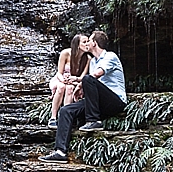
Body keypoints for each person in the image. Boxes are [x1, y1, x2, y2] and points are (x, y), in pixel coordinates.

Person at [41, 30, 126, 163]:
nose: (88, 43)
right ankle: (60, 151)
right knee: (65, 110)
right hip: (98, 103)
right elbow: (90, 81)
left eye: (89, 40)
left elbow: (96, 75)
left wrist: (81, 84)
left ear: (95, 43)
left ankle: (93, 121)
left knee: (88, 79)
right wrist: (80, 87)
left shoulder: (110, 56)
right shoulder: (92, 62)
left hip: (115, 100)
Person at [46, 34, 91, 128]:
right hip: (60, 79)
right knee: (61, 87)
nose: (87, 44)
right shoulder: (65, 53)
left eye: (88, 41)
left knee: (70, 88)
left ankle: (66, 118)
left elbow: (82, 77)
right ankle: (53, 118)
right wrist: (63, 80)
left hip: (74, 82)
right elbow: (59, 73)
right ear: (77, 44)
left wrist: (74, 80)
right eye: (84, 42)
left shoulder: (88, 59)